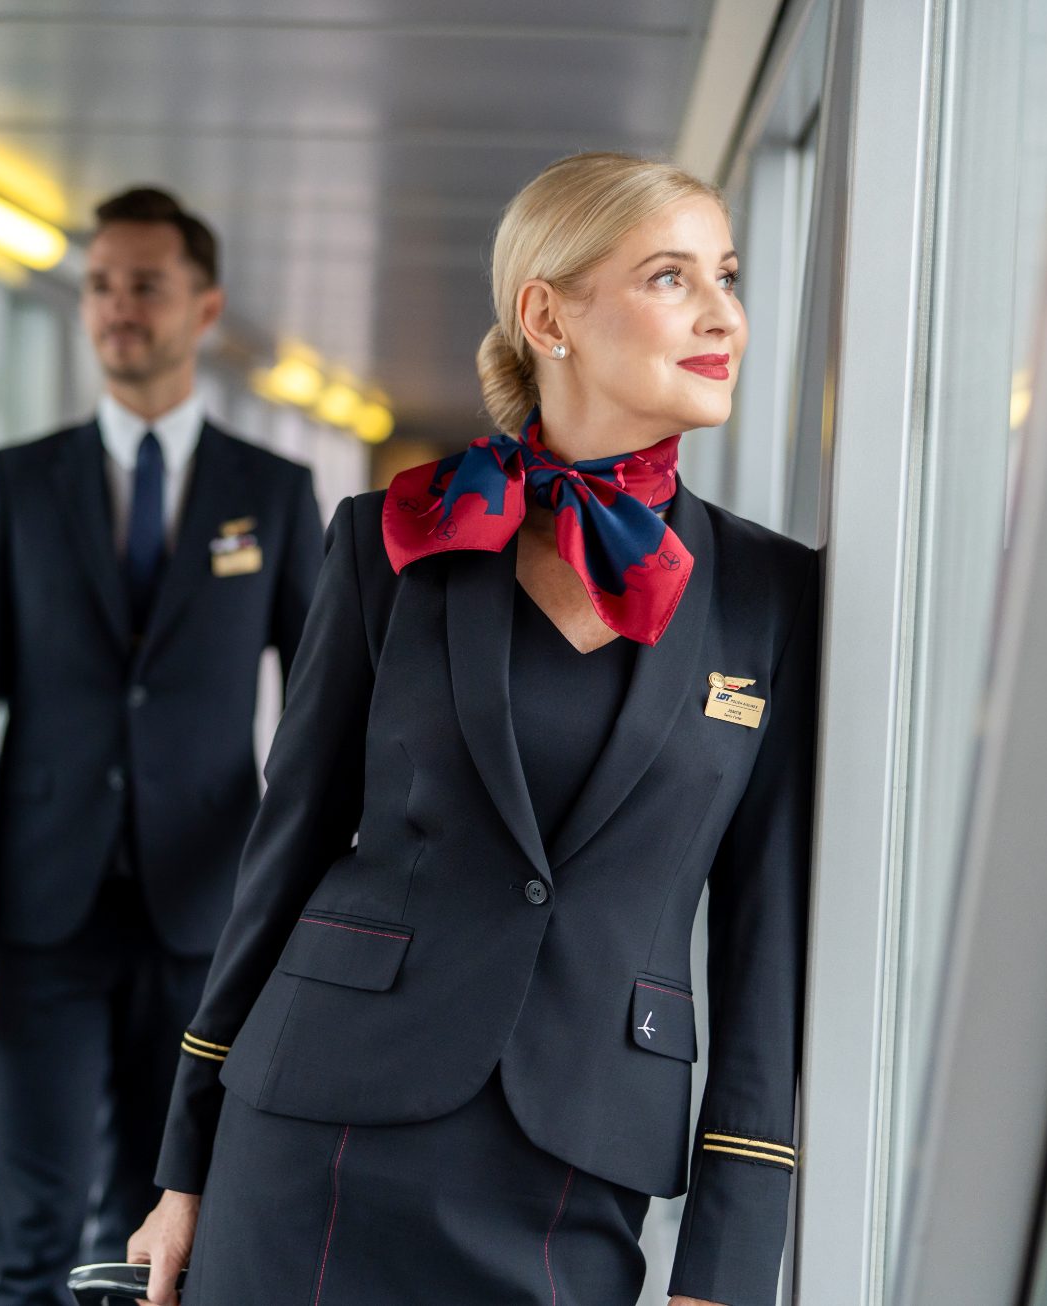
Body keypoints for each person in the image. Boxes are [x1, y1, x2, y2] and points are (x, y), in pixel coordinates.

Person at [128, 152, 821, 1306]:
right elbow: (285, 849)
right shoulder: (391, 540)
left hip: (575, 1164)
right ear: (547, 314)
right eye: (669, 278)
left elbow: (768, 939)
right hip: (315, 1133)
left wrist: (727, 1265)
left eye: (727, 276)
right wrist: (183, 1168)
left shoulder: (772, 594)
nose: (722, 317)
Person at [0, 187, 324, 1305]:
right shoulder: (18, 481)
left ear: (205, 307)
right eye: (99, 284)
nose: (116, 307)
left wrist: (304, 888)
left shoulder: (273, 495)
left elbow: (328, 706)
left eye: (145, 284)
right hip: (36, 909)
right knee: (33, 1221)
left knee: (160, 1224)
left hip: (207, 917)